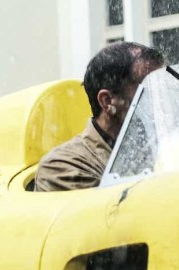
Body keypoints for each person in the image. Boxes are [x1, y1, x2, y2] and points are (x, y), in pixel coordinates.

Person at [35, 42, 164, 192]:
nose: (159, 97)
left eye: (160, 86)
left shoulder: (159, 145)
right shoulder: (61, 166)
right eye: (148, 87)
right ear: (107, 101)